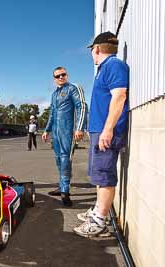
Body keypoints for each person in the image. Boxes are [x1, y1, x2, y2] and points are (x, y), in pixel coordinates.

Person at [74, 32, 129, 237]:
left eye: (92, 51)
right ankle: (97, 211)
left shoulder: (114, 65)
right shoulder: (105, 68)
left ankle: (100, 222)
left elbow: (119, 96)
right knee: (98, 174)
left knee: (104, 176)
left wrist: (108, 129)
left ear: (96, 49)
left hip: (107, 131)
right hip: (99, 130)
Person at [42, 67, 86, 206]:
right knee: (58, 160)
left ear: (67, 75)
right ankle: (61, 186)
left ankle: (65, 191)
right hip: (56, 131)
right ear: (54, 79)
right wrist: (46, 130)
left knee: (66, 159)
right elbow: (52, 113)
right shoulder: (54, 94)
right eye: (57, 76)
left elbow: (81, 107)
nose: (60, 77)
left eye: (63, 74)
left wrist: (79, 127)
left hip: (68, 130)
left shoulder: (73, 88)